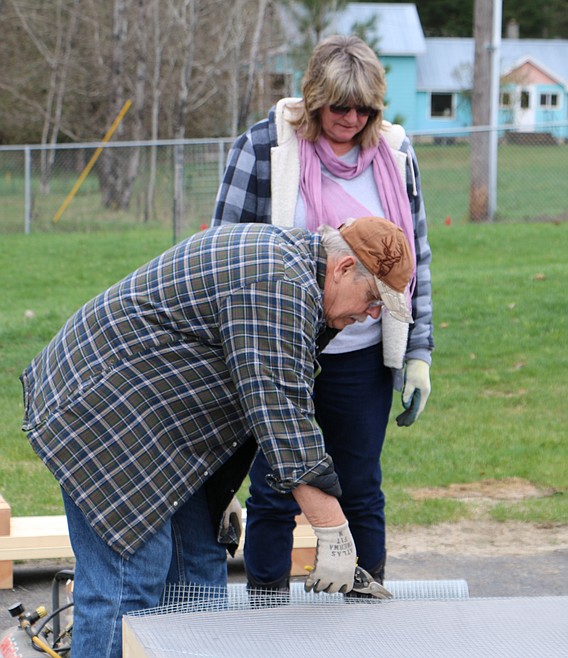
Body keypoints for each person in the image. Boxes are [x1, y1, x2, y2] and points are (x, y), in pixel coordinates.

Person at [20, 216, 414, 658]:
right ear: (342, 268)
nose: (373, 314)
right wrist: (334, 532)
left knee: (199, 573)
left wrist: (217, 486)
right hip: (105, 411)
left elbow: (246, 392)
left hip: (159, 425)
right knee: (129, 585)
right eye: (373, 298)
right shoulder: (277, 283)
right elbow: (282, 415)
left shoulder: (294, 275)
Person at [212, 34, 434, 593]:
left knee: (359, 488)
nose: (352, 119)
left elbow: (415, 258)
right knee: (274, 488)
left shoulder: (396, 154)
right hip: (277, 349)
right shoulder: (264, 148)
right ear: (314, 100)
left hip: (361, 357)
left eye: (365, 110)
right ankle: (266, 611)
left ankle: (365, 609)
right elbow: (223, 251)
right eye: (340, 107)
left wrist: (418, 353)